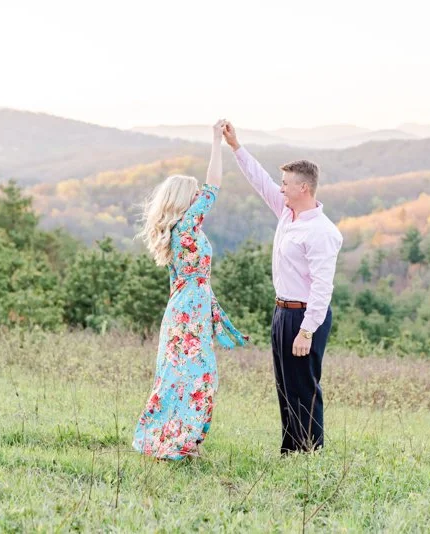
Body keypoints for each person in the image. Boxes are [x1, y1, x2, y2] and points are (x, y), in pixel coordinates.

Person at [223, 121, 342, 454]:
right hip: (282, 312)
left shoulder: (322, 232)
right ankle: (290, 451)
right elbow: (260, 181)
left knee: (304, 387)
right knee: (285, 386)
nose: (280, 189)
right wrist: (236, 147)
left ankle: (310, 453)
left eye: (286, 184)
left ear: (303, 188)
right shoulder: (287, 214)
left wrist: (306, 331)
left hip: (305, 316)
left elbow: (322, 288)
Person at [132, 120, 247, 461]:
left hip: (183, 308)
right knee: (197, 377)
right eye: (194, 194)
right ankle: (179, 442)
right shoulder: (186, 225)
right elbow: (214, 185)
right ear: (185, 200)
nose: (200, 197)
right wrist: (216, 142)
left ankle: (179, 439)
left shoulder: (174, 230)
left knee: (181, 375)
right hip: (190, 310)